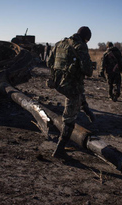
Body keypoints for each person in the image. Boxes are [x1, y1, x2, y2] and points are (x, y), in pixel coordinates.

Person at [47, 26, 95, 158]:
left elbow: (49, 62)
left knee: (79, 94)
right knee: (69, 118)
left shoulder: (59, 44)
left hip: (57, 84)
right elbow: (88, 71)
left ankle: (87, 110)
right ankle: (60, 149)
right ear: (86, 38)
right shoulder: (80, 46)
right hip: (71, 87)